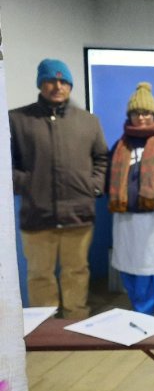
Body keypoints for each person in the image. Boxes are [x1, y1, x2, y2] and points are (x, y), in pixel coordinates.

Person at [10, 59, 107, 319]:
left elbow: (101, 158)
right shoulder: (17, 120)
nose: (57, 86)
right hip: (37, 214)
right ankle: (45, 326)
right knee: (40, 275)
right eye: (51, 80)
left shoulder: (89, 121)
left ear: (70, 86)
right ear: (40, 83)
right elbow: (5, 162)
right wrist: (27, 184)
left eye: (63, 81)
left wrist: (93, 186)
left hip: (78, 214)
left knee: (77, 271)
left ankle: (76, 321)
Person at [107, 82, 154, 315]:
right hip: (124, 217)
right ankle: (137, 308)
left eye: (146, 112)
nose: (141, 117)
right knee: (126, 264)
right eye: (136, 113)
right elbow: (109, 177)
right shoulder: (120, 144)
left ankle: (145, 314)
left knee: (149, 267)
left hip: (152, 217)